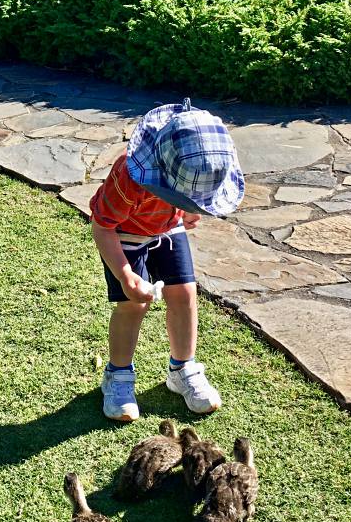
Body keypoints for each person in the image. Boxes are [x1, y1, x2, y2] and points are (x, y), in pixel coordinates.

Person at [89, 99, 244, 422]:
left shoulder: (186, 170)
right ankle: (117, 376)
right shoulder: (129, 180)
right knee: (134, 304)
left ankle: (182, 369)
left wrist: (188, 208)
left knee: (185, 294)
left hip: (167, 228)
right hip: (124, 234)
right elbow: (102, 226)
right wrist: (126, 276)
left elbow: (190, 194)